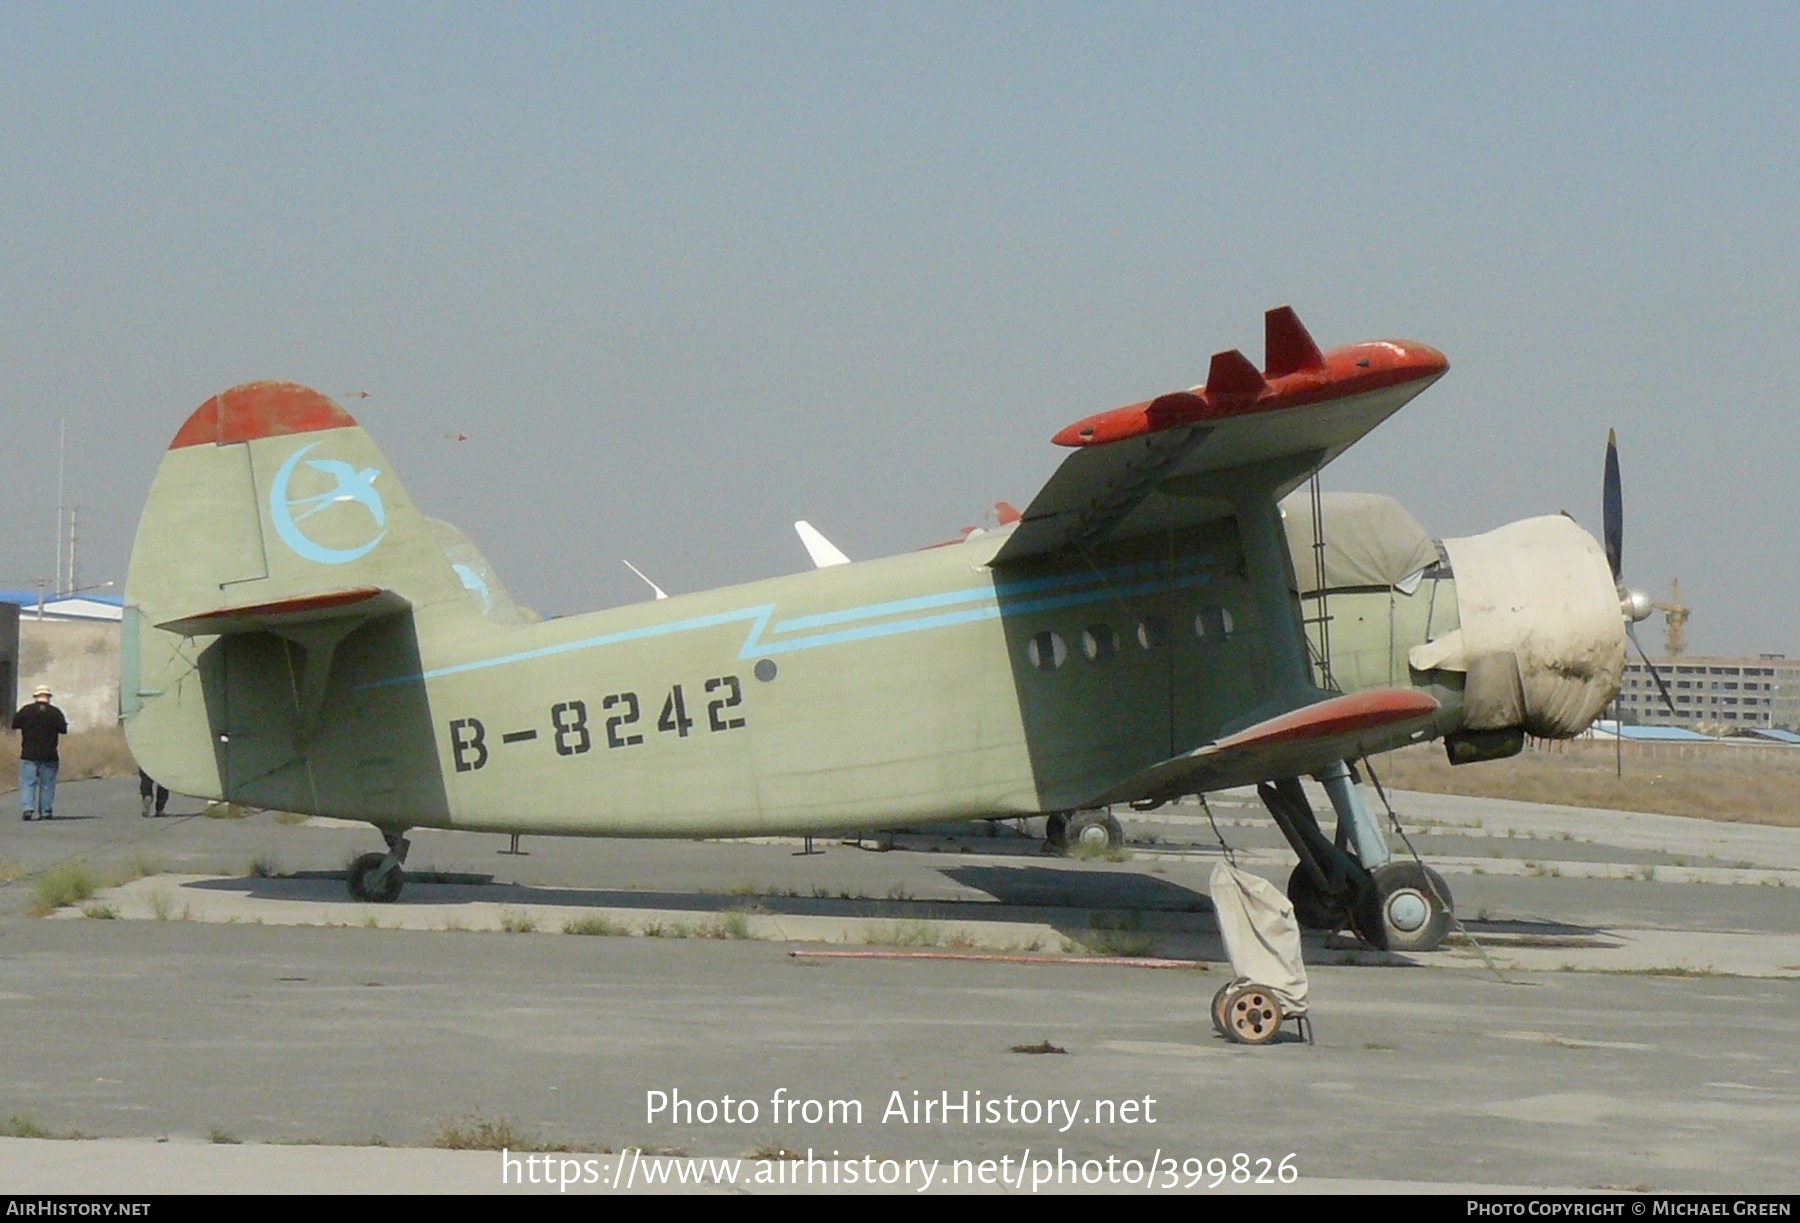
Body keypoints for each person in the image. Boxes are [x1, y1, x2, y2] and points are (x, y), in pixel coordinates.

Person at [11, 684, 69, 821]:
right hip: (50, 754)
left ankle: (27, 809)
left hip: (28, 753)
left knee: (28, 782)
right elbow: (63, 729)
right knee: (47, 784)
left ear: (36, 696)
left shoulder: (26, 711)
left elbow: (14, 725)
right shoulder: (55, 712)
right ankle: (46, 811)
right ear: (48, 697)